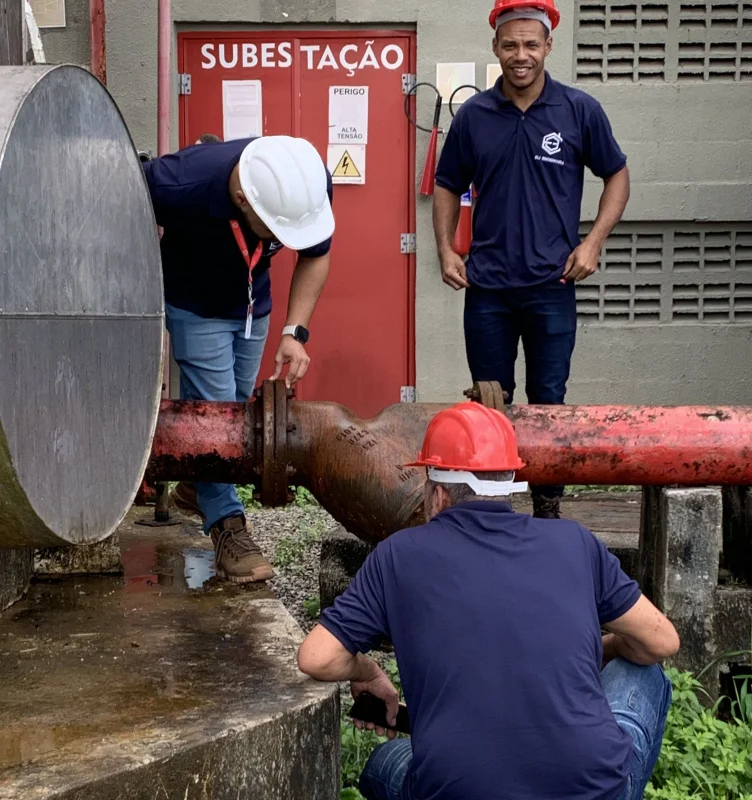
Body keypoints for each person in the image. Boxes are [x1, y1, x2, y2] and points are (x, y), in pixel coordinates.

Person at [298, 402, 679, 800]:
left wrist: (366, 670)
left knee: (384, 763)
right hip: (593, 790)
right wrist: (606, 647)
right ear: (509, 483)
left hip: (454, 790)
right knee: (646, 672)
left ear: (438, 494)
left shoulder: (398, 555)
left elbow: (317, 658)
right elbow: (661, 641)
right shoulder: (575, 542)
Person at [432, 0, 631, 520]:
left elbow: (616, 174)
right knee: (490, 402)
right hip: (488, 289)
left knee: (548, 403)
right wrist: (446, 249)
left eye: (531, 44)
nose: (521, 55)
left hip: (551, 286)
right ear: (495, 47)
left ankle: (547, 508)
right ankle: (491, 510)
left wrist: (593, 243)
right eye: (510, 45)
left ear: (548, 46)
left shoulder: (578, 110)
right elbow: (447, 183)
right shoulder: (473, 116)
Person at [142, 135, 334, 584]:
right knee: (218, 414)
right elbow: (109, 200)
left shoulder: (306, 180)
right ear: (243, 199)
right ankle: (227, 526)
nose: (284, 241)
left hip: (252, 305)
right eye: (277, 230)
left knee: (235, 415)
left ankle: (197, 482)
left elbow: (316, 255)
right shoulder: (176, 183)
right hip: (196, 306)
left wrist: (294, 332)